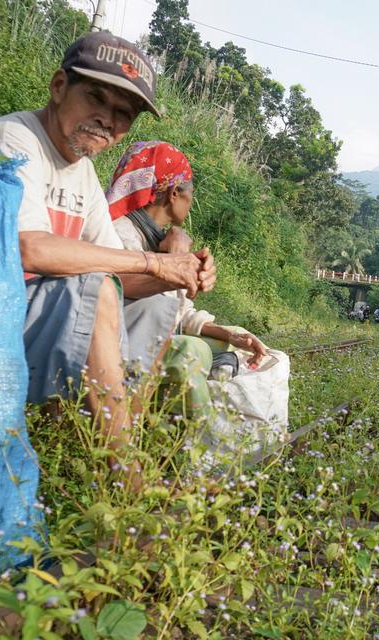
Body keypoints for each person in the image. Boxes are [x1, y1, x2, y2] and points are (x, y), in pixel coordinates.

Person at [0, 32, 214, 484]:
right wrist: (154, 263)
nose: (106, 120)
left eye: (122, 114)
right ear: (58, 87)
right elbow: (28, 247)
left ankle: (103, 442)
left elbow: (119, 271)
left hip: (32, 320)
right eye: (96, 98)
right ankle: (127, 482)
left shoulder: (83, 174)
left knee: (154, 300)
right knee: (98, 291)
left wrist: (177, 275)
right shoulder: (8, 139)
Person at [107, 141, 287, 441]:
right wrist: (172, 263)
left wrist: (230, 335)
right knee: (194, 351)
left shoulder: (158, 238)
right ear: (174, 193)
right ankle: (199, 447)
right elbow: (120, 288)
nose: (191, 203)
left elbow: (180, 312)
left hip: (157, 333)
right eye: (190, 194)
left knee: (230, 341)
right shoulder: (119, 232)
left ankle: (199, 412)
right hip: (125, 341)